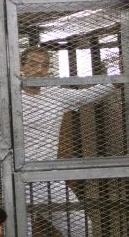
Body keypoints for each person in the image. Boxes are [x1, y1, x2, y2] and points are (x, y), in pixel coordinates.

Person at [20, 47, 117, 236]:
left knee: (82, 228)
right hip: (16, 176)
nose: (39, 70)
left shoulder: (55, 94)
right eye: (33, 64)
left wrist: (116, 81)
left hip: (48, 177)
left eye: (44, 65)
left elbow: (87, 95)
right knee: (20, 231)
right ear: (21, 66)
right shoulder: (8, 95)